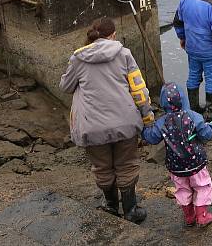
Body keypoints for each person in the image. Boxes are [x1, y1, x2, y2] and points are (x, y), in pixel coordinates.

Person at [59, 17, 155, 223]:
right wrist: (147, 118)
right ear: (113, 35)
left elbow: (66, 87)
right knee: (127, 164)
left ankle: (110, 206)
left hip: (92, 127)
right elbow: (139, 90)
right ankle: (131, 210)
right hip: (125, 122)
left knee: (102, 167)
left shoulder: (78, 58)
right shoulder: (124, 54)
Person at [142, 83, 212, 227]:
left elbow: (152, 137)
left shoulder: (162, 122)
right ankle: (202, 215)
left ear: (164, 104)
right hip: (196, 163)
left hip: (176, 166)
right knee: (202, 186)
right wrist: (210, 128)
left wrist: (143, 130)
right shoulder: (193, 116)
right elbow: (206, 135)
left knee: (182, 189)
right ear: (184, 100)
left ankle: (189, 216)